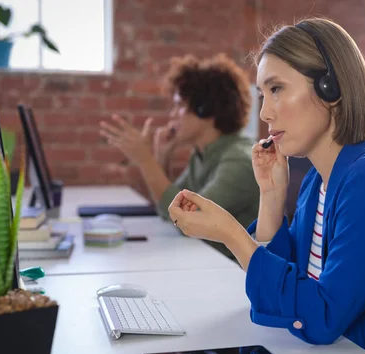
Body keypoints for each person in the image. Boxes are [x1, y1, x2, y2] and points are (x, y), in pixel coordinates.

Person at [168, 18, 365, 354]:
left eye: (276, 89)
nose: (265, 114)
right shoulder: (319, 182)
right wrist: (271, 197)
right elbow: (288, 287)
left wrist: (231, 234)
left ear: (330, 88)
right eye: (262, 95)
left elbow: (319, 317)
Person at [99, 53, 259, 259]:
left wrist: (145, 161)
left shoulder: (238, 161)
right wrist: (162, 158)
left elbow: (190, 220)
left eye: (180, 106)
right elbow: (171, 211)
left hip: (234, 275)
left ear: (206, 110)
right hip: (206, 263)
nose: (173, 115)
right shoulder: (202, 154)